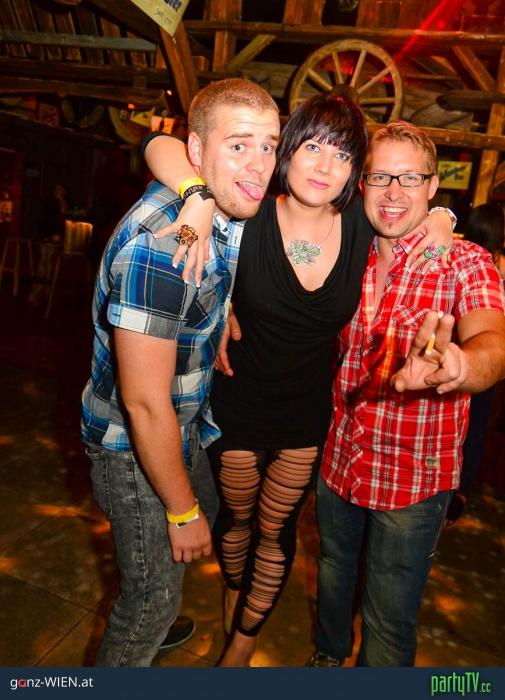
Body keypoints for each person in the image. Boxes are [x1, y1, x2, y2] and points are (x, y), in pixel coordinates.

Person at [144, 95, 455, 666]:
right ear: (288, 150)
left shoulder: (361, 225)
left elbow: (413, 207)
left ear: (354, 170)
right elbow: (157, 144)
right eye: (312, 145)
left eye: (342, 154)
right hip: (237, 402)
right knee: (236, 522)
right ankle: (233, 598)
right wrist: (196, 196)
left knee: (276, 528)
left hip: (306, 414)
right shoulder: (248, 209)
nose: (324, 164)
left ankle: (242, 646)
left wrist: (443, 216)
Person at [81, 78, 280, 666]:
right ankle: (142, 632)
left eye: (268, 145)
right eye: (239, 145)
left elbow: (155, 145)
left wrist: (219, 308)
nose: (260, 164)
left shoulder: (216, 200)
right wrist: (180, 510)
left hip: (183, 422)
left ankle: (155, 605)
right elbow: (143, 404)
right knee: (149, 604)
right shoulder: (162, 248)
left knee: (201, 527)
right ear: (196, 149)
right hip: (130, 442)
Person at [311, 121, 505, 668]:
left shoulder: (465, 262)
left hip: (414, 477)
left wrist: (461, 365)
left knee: (388, 619)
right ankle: (326, 659)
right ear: (362, 184)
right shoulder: (345, 249)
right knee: (332, 574)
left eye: (410, 178)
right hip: (340, 459)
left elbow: (494, 340)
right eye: (380, 177)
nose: (394, 191)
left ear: (432, 185)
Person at [445, 202, 505, 524]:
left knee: (458, 423)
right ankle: (460, 488)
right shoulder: (489, 266)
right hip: (476, 360)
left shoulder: (456, 255)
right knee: (476, 424)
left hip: (455, 355)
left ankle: (453, 486)